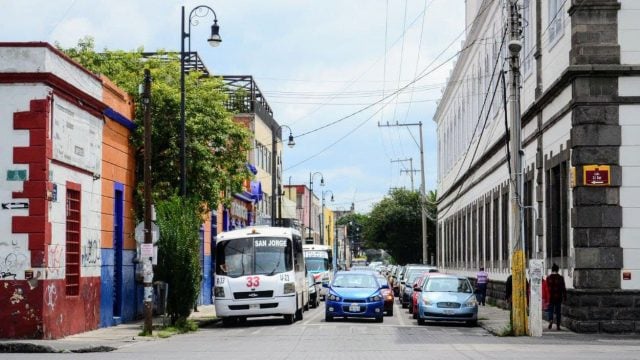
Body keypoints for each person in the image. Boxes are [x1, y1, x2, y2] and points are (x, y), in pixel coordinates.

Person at [546, 263, 567, 330]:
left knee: (550, 310)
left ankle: (551, 320)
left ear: (552, 270)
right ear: (558, 270)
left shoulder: (548, 278)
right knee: (558, 311)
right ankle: (558, 325)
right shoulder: (561, 278)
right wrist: (565, 296)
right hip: (558, 297)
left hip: (551, 297)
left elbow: (546, 288)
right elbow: (563, 288)